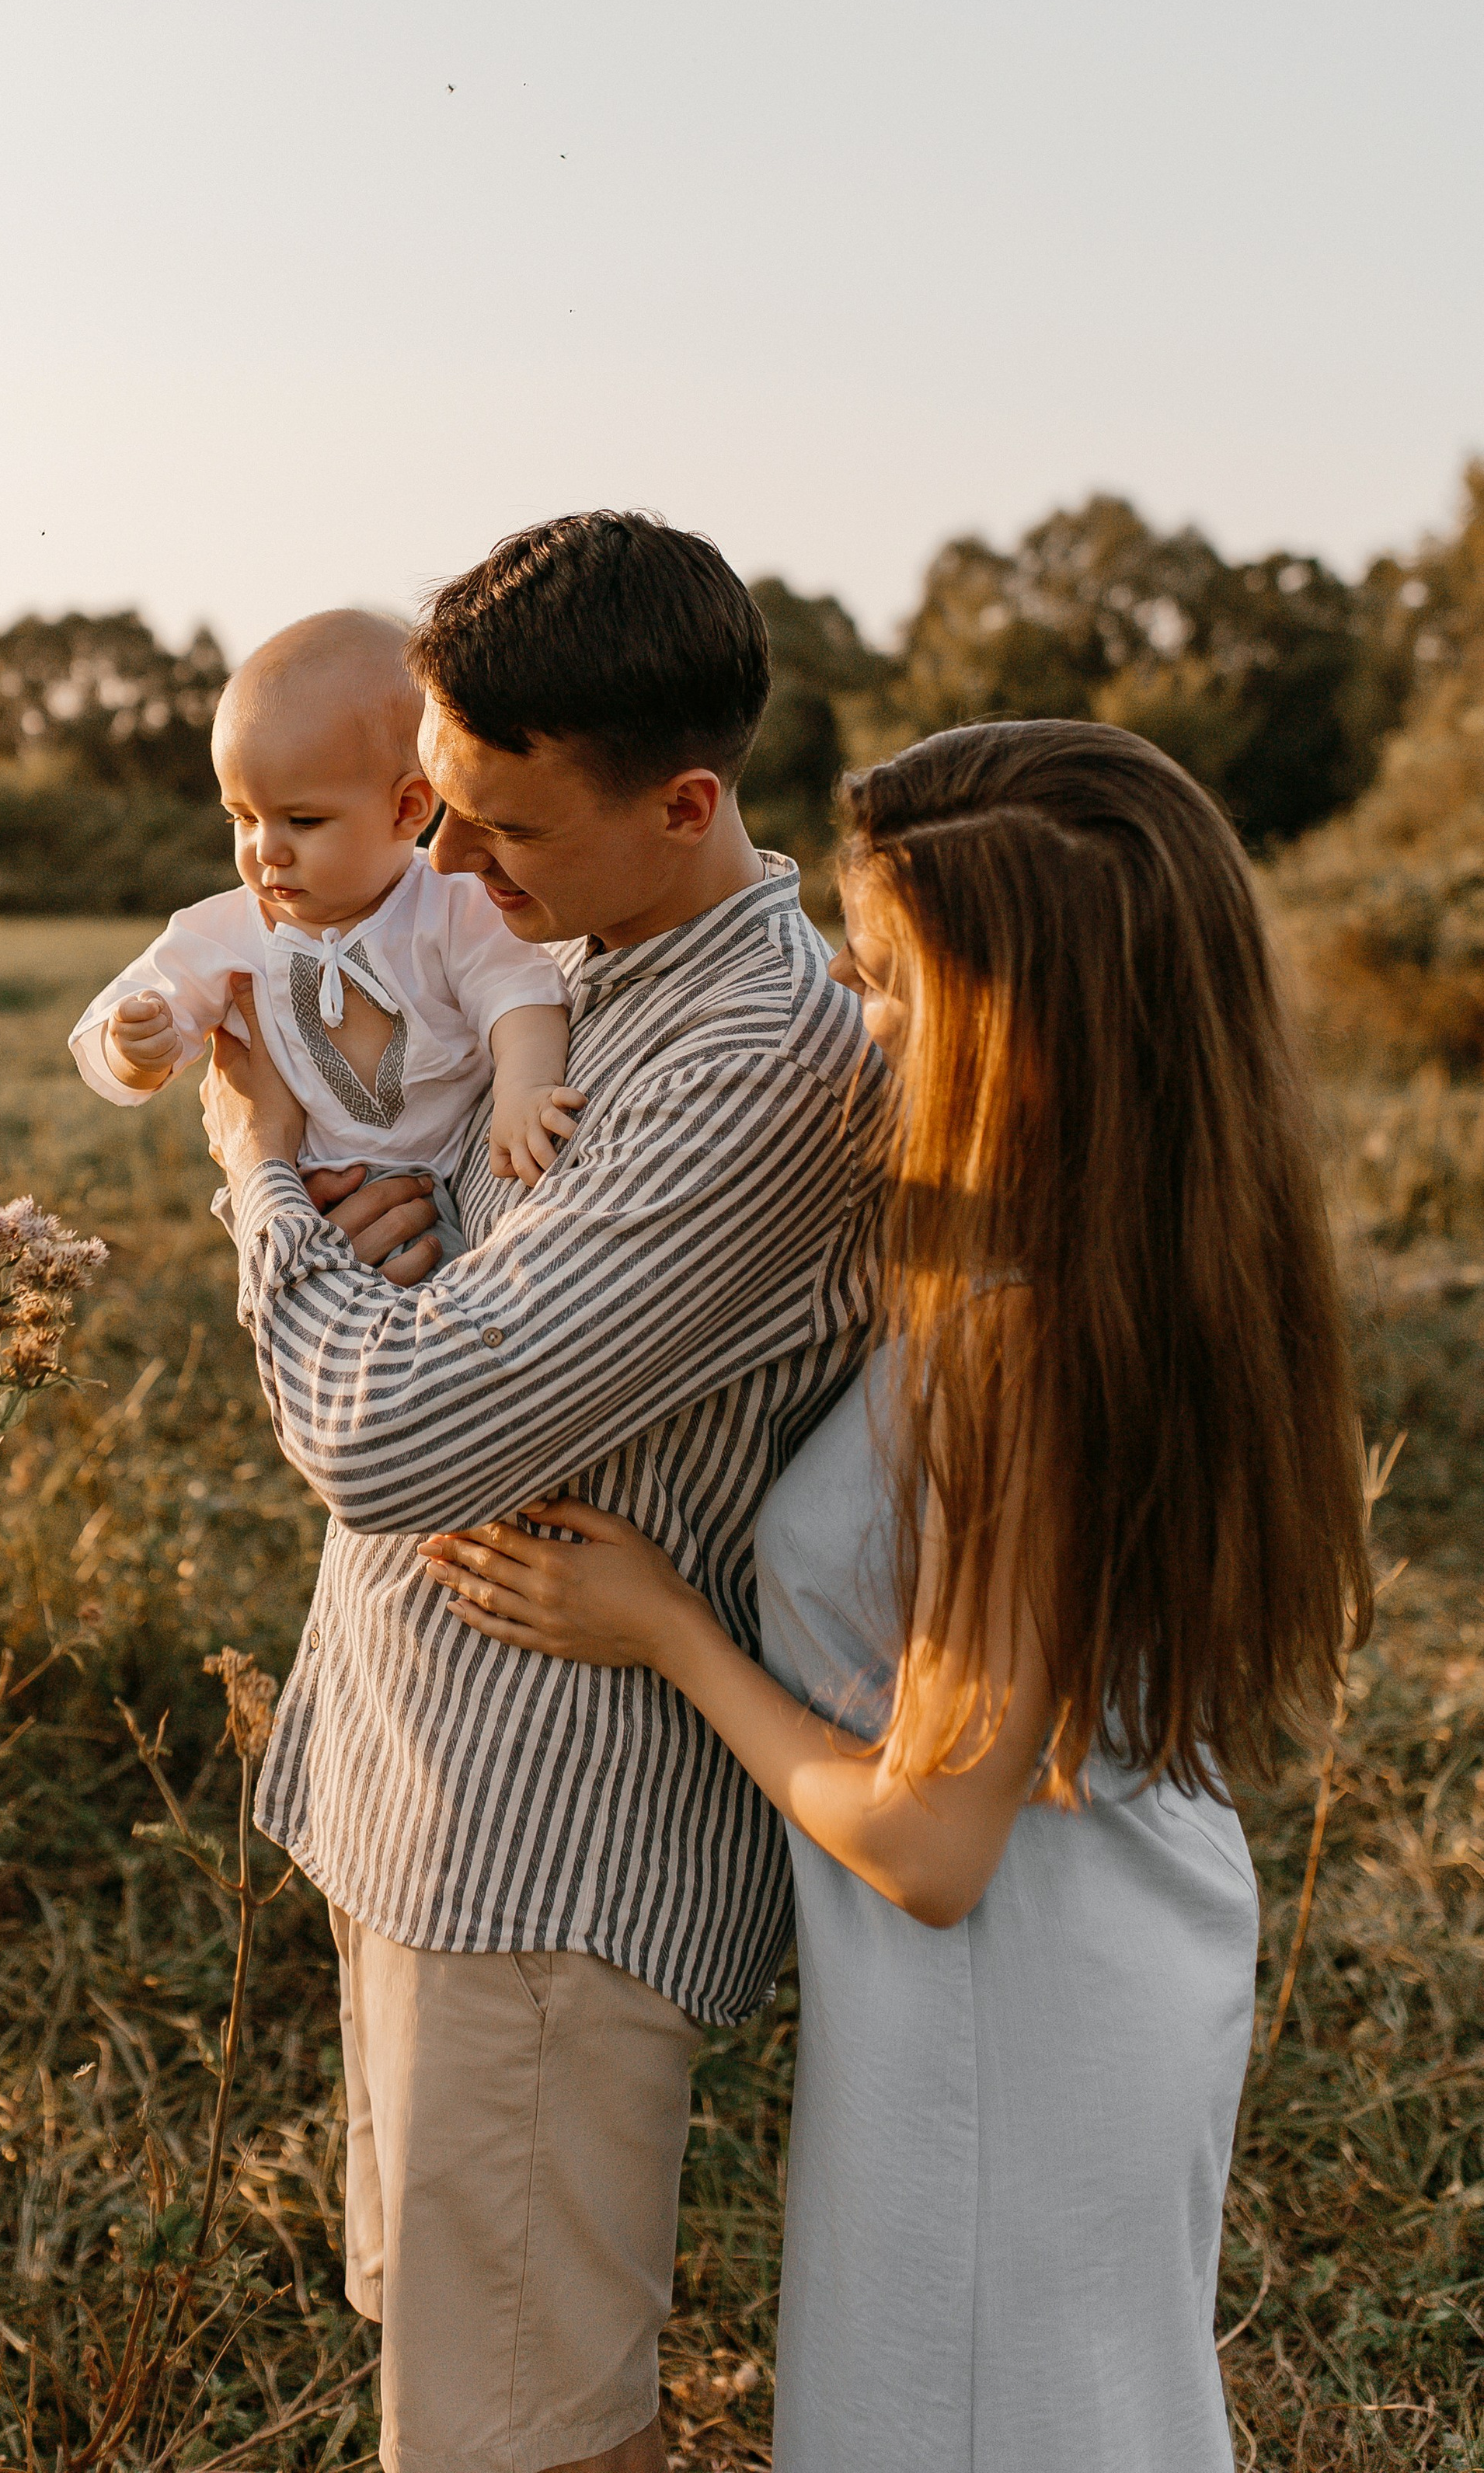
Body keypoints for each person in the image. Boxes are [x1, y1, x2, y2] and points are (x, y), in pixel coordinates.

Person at [422, 718, 1373, 2473]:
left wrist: (669, 1633)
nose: (847, 1020)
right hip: (1097, 1934)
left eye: (891, 986)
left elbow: (933, 1846)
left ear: (1029, 1041)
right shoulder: (1094, 1241)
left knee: (964, 2415)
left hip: (1015, 1992)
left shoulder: (1019, 1340)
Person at [197, 515, 881, 2473]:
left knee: (520, 2435)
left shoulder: (750, 1055)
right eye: (441, 809)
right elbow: (466, 1319)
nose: (454, 870)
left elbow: (399, 1439)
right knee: (460, 2374)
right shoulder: (578, 961)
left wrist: (261, 1175)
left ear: (683, 800)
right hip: (433, 1797)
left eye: (506, 833)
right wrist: (401, 1226)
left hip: (543, 1848)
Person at [69, 610, 583, 1243]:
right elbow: (144, 1020)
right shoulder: (223, 931)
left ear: (407, 808)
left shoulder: (451, 904)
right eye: (243, 818)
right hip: (306, 1193)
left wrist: (524, 1091)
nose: (267, 850)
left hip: (450, 1182)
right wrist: (137, 1051)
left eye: (302, 821)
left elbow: (520, 996)